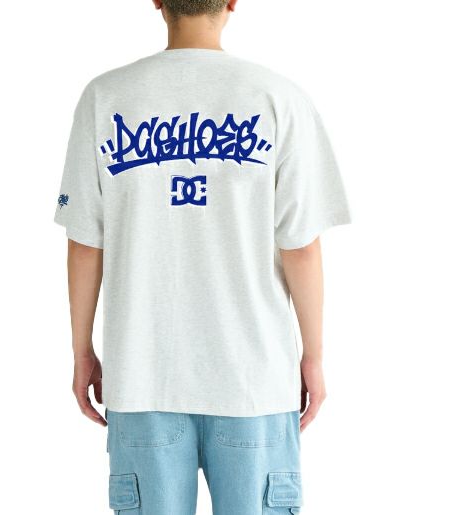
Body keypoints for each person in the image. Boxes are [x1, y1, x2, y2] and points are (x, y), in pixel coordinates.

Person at [54, 0, 351, 513]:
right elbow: (301, 246)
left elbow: (85, 243)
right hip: (254, 378)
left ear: (158, 1)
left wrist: (82, 352)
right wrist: (313, 357)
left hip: (142, 374)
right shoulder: (278, 97)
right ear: (232, 2)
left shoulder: (105, 96)